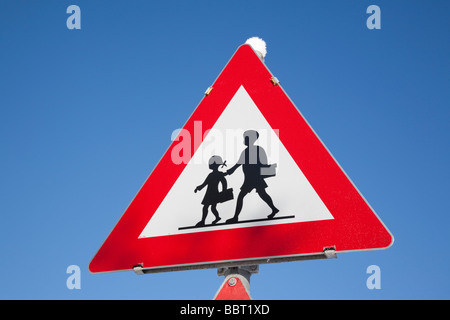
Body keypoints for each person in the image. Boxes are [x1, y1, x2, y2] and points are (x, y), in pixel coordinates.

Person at [226, 130, 279, 223]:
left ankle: (235, 217)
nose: (244, 140)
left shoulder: (257, 149)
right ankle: (274, 209)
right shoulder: (246, 151)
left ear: (251, 139)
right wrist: (230, 171)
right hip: (250, 178)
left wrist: (232, 170)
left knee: (242, 196)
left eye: (246, 138)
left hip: (254, 177)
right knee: (262, 194)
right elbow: (238, 164)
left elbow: (263, 163)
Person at [194, 155, 228, 227]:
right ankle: (217, 217)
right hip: (211, 193)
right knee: (212, 207)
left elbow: (224, 182)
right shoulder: (214, 174)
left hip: (212, 193)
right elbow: (205, 183)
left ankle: (203, 221)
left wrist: (224, 191)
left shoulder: (215, 174)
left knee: (207, 207)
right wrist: (198, 188)